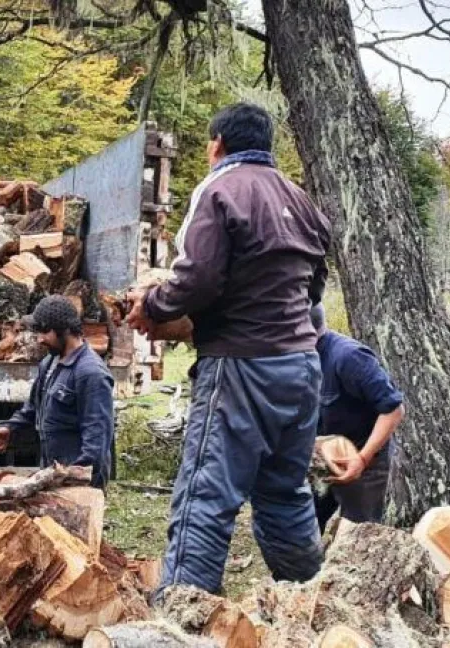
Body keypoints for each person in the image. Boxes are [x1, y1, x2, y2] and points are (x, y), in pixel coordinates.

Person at [127, 102, 332, 596]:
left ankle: (179, 623)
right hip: (302, 368)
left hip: (242, 367)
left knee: (205, 496)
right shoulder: (303, 201)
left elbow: (196, 279)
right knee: (285, 493)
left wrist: (153, 305)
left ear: (217, 144)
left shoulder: (219, 189)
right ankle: (315, 607)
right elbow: (316, 289)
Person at [0, 295, 115, 489]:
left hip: (79, 479)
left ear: (64, 330)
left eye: (45, 332)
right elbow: (32, 408)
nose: (39, 339)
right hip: (53, 472)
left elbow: (97, 436)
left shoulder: (91, 373)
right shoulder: (49, 363)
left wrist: (77, 476)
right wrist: (10, 428)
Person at [309, 305, 404, 531]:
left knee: (358, 533)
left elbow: (394, 410)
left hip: (364, 461)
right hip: (319, 458)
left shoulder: (349, 358)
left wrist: (362, 459)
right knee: (305, 524)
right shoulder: (295, 359)